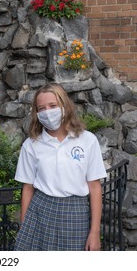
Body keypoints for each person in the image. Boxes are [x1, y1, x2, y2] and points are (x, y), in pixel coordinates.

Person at [14, 83, 106, 251]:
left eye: (53, 105)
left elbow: (95, 187)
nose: (47, 112)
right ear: (36, 113)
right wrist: (23, 226)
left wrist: (95, 232)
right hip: (40, 211)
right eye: (41, 108)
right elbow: (27, 188)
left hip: (75, 213)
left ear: (65, 105)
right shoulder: (31, 144)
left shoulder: (87, 140)